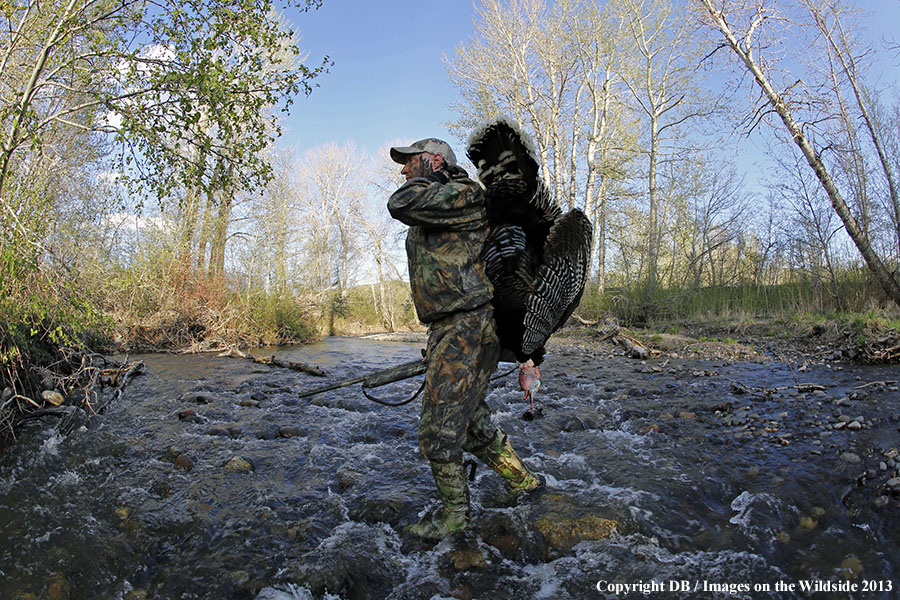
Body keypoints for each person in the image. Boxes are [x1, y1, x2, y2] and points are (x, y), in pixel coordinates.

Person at [387, 137, 543, 540]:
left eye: (410, 162)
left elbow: (399, 203)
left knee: (438, 430)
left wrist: (458, 338)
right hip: (453, 328)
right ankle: (524, 482)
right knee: (471, 424)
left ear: (434, 160)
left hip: (467, 325)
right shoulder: (447, 201)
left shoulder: (464, 193)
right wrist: (440, 339)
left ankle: (455, 516)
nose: (404, 170)